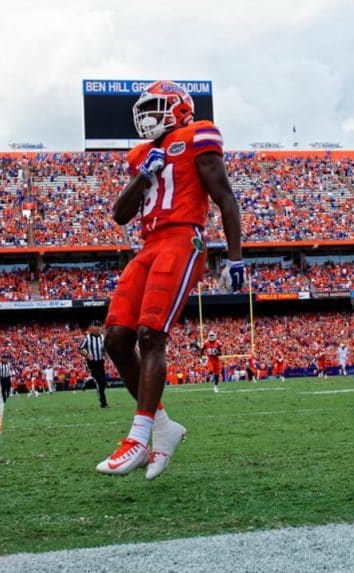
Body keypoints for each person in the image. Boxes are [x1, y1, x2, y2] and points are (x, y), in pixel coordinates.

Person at [99, 80, 243, 479]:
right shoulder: (141, 155)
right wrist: (143, 176)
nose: (147, 117)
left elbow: (225, 197)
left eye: (156, 108)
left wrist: (234, 259)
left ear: (180, 108)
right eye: (143, 110)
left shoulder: (197, 135)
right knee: (115, 338)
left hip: (183, 238)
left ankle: (138, 436)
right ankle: (163, 427)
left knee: (151, 334)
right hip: (148, 245)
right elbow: (120, 214)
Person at [78, 321, 109, 408]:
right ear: (91, 329)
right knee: (99, 382)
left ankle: (87, 383)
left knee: (103, 382)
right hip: (92, 363)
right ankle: (103, 403)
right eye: (95, 327)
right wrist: (87, 354)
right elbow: (80, 349)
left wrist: (106, 354)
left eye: (99, 327)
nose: (97, 329)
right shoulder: (87, 338)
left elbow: (104, 349)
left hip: (100, 362)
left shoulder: (102, 337)